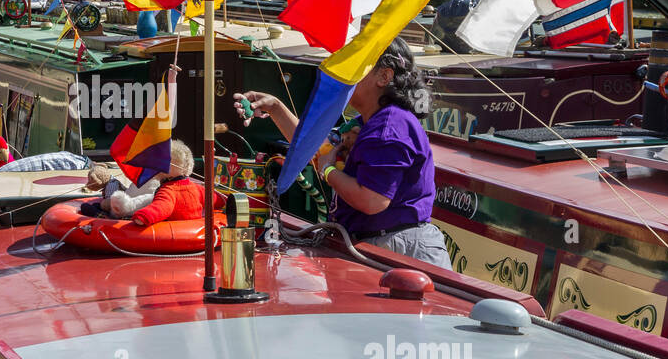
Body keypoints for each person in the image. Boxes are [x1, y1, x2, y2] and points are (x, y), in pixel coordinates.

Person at [234, 37, 451, 269]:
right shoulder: (372, 122)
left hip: (399, 249)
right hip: (384, 243)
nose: (345, 75)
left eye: (356, 67)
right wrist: (274, 107)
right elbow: (317, 147)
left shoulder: (389, 127)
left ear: (384, 77)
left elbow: (372, 200)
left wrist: (327, 171)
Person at [130, 140, 223, 226]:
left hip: (176, 236)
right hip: (196, 233)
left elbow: (161, 207)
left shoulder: (168, 191)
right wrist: (227, 201)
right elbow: (215, 199)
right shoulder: (197, 188)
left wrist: (143, 216)